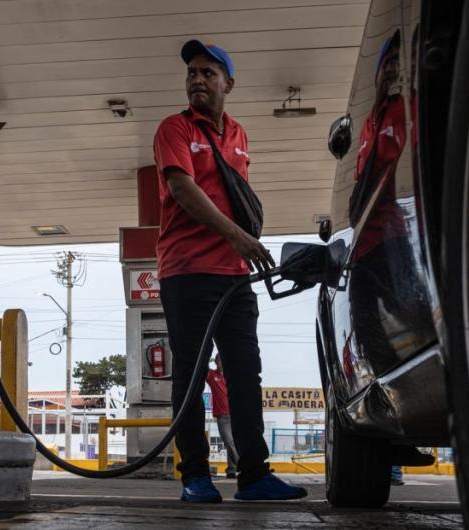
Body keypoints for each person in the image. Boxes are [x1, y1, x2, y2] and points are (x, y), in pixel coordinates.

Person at [153, 39, 306, 503]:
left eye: (208, 73)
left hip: (235, 275)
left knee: (245, 373)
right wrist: (237, 236)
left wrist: (242, 244)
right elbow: (182, 190)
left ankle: (254, 475)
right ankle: (195, 476)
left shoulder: (238, 134)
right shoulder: (174, 129)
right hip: (187, 270)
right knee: (191, 375)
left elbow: (236, 197)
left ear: (228, 84)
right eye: (192, 74)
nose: (197, 80)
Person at [206, 356, 238, 479]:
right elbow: (202, 368)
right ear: (216, 362)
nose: (222, 363)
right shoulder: (212, 375)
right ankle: (242, 464)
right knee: (228, 441)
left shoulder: (232, 376)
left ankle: (231, 470)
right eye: (220, 360)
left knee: (233, 442)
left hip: (235, 414)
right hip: (222, 415)